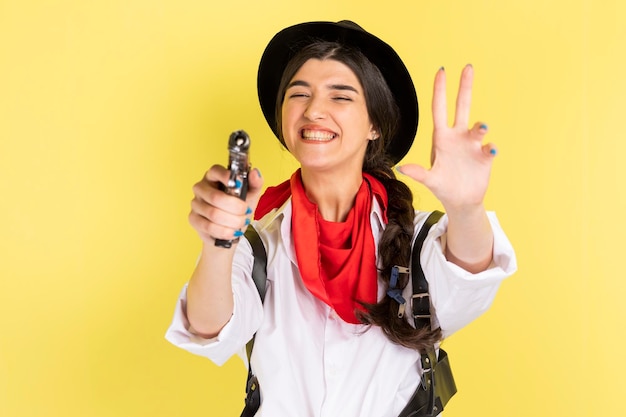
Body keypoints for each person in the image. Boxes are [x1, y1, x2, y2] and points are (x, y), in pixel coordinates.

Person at [165, 20, 517, 416]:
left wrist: (466, 207)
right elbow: (210, 329)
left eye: (341, 97)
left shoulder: (416, 237)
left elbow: (469, 278)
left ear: (375, 126)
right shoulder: (259, 245)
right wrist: (217, 245)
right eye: (299, 94)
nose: (314, 110)